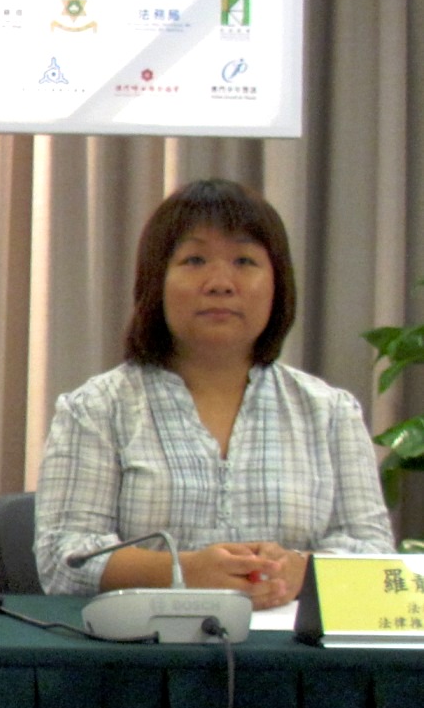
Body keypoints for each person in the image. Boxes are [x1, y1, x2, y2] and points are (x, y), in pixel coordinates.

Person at [34, 179, 394, 607]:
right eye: (194, 260)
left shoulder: (330, 412)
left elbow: (374, 553)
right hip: (147, 645)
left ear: (278, 284)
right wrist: (182, 572)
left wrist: (303, 570)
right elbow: (63, 559)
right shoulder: (95, 409)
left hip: (293, 645)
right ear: (156, 282)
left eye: (244, 261)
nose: (220, 283)